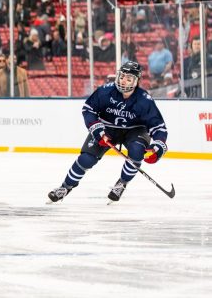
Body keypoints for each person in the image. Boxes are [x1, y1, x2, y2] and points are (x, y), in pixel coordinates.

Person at [47, 61, 168, 203]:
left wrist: (158, 146)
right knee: (86, 159)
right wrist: (97, 129)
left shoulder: (144, 100)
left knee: (136, 152)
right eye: (122, 76)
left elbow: (158, 127)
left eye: (129, 78)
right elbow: (88, 109)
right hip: (106, 129)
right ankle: (65, 187)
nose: (124, 81)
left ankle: (121, 184)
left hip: (134, 131)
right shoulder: (105, 91)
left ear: (137, 81)